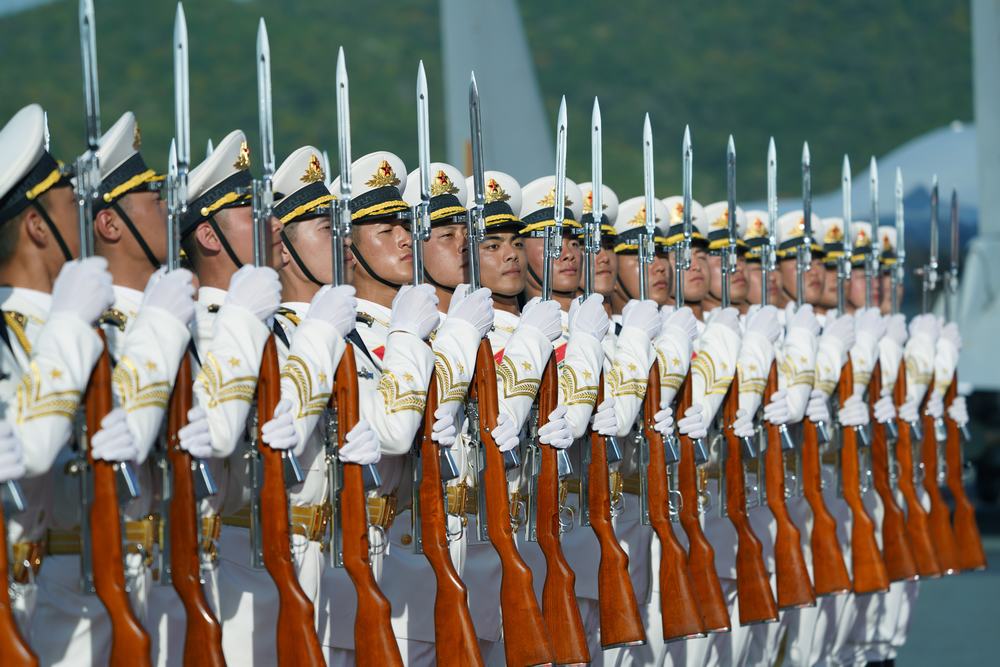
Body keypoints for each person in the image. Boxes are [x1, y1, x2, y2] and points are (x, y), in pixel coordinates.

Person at [30, 110, 196, 667]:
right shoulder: (66, 327)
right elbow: (130, 428)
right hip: (68, 591)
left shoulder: (168, 317)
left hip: (152, 576)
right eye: (152, 198)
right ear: (110, 224)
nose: (168, 208)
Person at [0, 103, 117, 642]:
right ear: (37, 227)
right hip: (29, 607)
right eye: (73, 205)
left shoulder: (79, 324)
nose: (89, 217)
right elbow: (33, 446)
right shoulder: (12, 331)